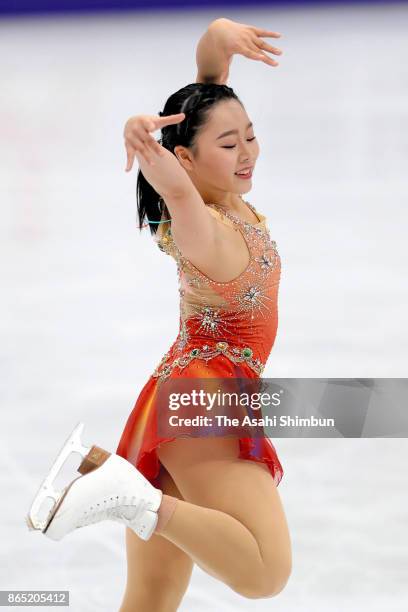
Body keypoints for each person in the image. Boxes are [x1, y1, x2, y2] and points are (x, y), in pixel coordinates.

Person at [26, 17, 291, 610]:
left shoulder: (217, 192)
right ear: (185, 160)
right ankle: (127, 494)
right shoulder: (204, 228)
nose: (247, 152)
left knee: (151, 597)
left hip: (175, 393)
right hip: (205, 399)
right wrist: (138, 139)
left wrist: (217, 41)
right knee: (264, 571)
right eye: (229, 145)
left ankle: (117, 484)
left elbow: (199, 106)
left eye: (250, 134)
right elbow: (174, 186)